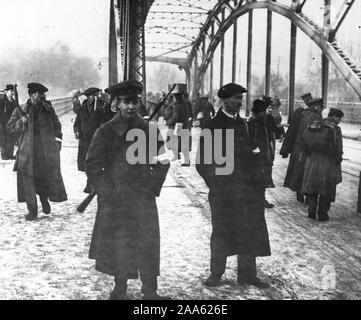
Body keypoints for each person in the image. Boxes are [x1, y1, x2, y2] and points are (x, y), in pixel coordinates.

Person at [85, 80, 170, 300]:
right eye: (125, 102)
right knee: (120, 242)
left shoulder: (149, 130)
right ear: (116, 104)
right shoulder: (105, 131)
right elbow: (93, 164)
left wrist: (151, 186)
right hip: (116, 197)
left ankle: (150, 291)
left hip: (143, 197)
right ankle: (119, 287)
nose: (131, 107)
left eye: (134, 102)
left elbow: (163, 159)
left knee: (148, 242)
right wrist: (107, 191)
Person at [196, 83, 271, 289]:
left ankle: (247, 274)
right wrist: (218, 184)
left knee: (249, 230)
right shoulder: (212, 125)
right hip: (223, 191)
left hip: (246, 189)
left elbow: (254, 151)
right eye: (235, 98)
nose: (239, 102)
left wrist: (257, 175)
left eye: (240, 99)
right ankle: (216, 273)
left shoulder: (244, 125)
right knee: (221, 231)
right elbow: (202, 162)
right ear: (224, 100)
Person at [7, 83, 67, 221]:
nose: (42, 97)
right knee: (28, 181)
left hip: (44, 152)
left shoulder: (48, 109)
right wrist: (21, 122)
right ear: (32, 94)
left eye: (42, 94)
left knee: (43, 178)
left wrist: (57, 142)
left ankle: (44, 199)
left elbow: (57, 126)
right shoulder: (20, 110)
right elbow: (9, 128)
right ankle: (32, 211)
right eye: (39, 94)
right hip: (27, 152)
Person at [300, 108, 344, 221]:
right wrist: (338, 159)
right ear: (333, 116)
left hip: (311, 161)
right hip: (327, 162)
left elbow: (303, 142)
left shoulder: (312, 126)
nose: (339, 121)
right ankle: (323, 214)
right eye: (339, 118)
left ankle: (311, 211)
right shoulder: (335, 129)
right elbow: (338, 148)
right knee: (326, 189)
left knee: (312, 187)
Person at [280, 93, 320, 203]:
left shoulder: (305, 113)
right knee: (301, 171)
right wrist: (286, 148)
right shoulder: (304, 113)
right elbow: (292, 131)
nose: (307, 102)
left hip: (302, 148)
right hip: (301, 148)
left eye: (309, 100)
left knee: (302, 171)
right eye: (306, 101)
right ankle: (301, 193)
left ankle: (303, 193)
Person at [73, 87, 113, 193]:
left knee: (95, 162)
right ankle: (90, 181)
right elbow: (77, 122)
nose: (92, 98)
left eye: (94, 96)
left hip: (96, 139)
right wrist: (77, 131)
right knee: (86, 162)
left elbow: (106, 121)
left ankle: (91, 183)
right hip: (84, 139)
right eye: (90, 96)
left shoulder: (102, 106)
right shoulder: (83, 107)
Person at [248, 98, 282, 209]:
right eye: (263, 111)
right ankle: (258, 200)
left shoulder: (262, 121)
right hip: (257, 157)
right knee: (257, 179)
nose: (265, 113)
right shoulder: (253, 123)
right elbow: (250, 141)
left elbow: (274, 130)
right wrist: (255, 151)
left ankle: (260, 199)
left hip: (264, 155)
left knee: (262, 179)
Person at [163, 84, 191, 165]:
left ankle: (183, 159)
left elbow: (175, 116)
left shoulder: (176, 105)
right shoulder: (185, 104)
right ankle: (182, 158)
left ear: (175, 97)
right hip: (185, 125)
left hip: (178, 126)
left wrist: (168, 122)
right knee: (182, 142)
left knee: (177, 141)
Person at [0, 84, 17, 160]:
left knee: (11, 138)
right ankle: (4, 155)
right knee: (4, 138)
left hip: (11, 123)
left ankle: (10, 155)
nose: (12, 93)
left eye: (13, 91)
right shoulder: (2, 100)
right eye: (11, 91)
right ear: (6, 91)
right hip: (3, 122)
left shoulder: (13, 101)